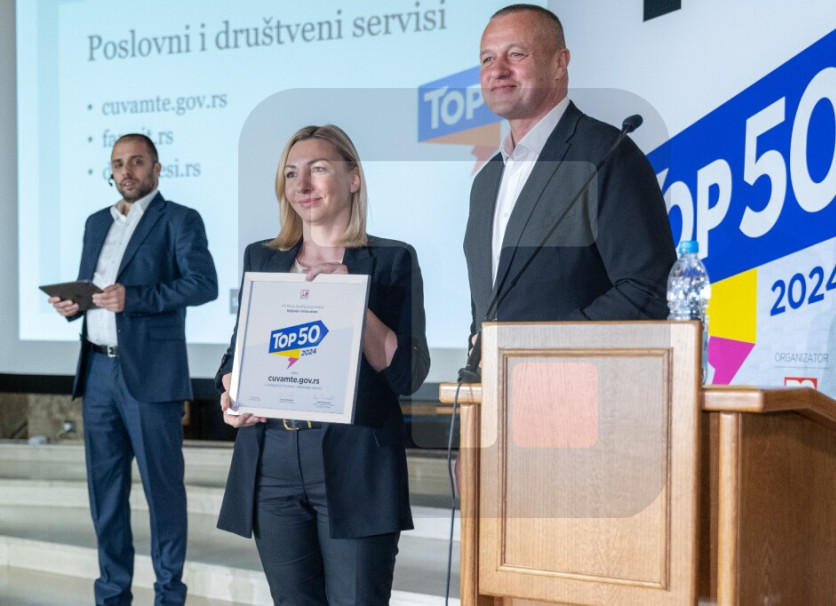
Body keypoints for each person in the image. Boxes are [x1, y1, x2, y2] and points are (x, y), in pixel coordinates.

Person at [216, 124, 430, 605]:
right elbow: (238, 353)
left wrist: (350, 299)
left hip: (355, 462)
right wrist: (231, 391)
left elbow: (407, 374)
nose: (303, 184)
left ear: (353, 178)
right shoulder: (263, 258)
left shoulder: (391, 260)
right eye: (292, 173)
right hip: (271, 460)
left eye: (318, 169)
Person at [48, 133, 218, 605]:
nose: (126, 170)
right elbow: (93, 288)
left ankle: (169, 595)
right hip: (97, 372)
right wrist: (73, 305)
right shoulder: (95, 223)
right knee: (105, 494)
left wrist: (135, 298)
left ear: (156, 169)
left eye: (137, 161)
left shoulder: (179, 219)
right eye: (118, 163)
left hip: (151, 374)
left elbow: (203, 284)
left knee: (163, 493)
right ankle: (112, 594)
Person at [464, 4, 677, 354]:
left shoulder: (606, 153)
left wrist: (541, 347)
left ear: (560, 63)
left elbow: (648, 290)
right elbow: (486, 313)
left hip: (586, 380)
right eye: (487, 59)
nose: (497, 70)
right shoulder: (485, 182)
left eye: (515, 54)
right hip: (500, 385)